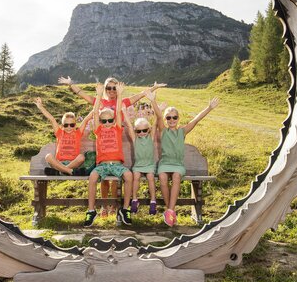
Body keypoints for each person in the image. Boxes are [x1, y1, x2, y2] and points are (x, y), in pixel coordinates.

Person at [59, 76, 165, 217]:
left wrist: (154, 87)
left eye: (114, 88)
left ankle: (114, 206)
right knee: (104, 179)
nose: (111, 90)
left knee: (115, 178)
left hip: (118, 137)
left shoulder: (123, 101)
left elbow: (139, 96)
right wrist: (71, 84)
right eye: (108, 87)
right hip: (103, 138)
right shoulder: (100, 102)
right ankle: (104, 205)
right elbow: (82, 94)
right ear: (105, 89)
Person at [151, 96, 219, 226]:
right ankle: (169, 210)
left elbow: (196, 119)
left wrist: (209, 108)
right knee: (163, 177)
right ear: (165, 120)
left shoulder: (182, 131)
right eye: (168, 118)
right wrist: (153, 101)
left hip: (177, 164)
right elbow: (158, 117)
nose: (171, 120)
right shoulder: (163, 131)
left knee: (176, 177)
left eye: (174, 117)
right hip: (165, 163)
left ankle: (170, 210)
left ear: (178, 119)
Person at [84, 83, 134, 227]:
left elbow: (118, 112)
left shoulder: (117, 129)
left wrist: (120, 94)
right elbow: (94, 113)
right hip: (103, 165)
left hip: (117, 164)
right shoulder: (98, 131)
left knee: (129, 176)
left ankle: (125, 209)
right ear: (99, 122)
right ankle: (91, 210)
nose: (107, 123)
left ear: (114, 121)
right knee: (93, 177)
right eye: (103, 120)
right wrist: (99, 95)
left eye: (110, 120)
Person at [33, 98, 91, 176]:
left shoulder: (78, 133)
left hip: (73, 163)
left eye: (72, 125)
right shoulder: (59, 133)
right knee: (48, 156)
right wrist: (41, 107)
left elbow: (86, 119)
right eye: (66, 125)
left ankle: (60, 172)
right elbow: (52, 119)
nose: (69, 127)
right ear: (62, 126)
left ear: (75, 125)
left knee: (81, 157)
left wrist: (98, 100)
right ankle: (68, 171)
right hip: (59, 163)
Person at [123, 97, 158, 216]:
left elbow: (156, 122)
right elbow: (128, 124)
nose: (142, 133)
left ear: (148, 130)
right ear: (135, 131)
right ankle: (134, 199)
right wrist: (124, 111)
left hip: (149, 164)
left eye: (144, 130)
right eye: (139, 131)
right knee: (136, 176)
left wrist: (157, 108)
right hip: (138, 165)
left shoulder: (151, 137)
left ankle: (153, 200)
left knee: (150, 178)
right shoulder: (135, 139)